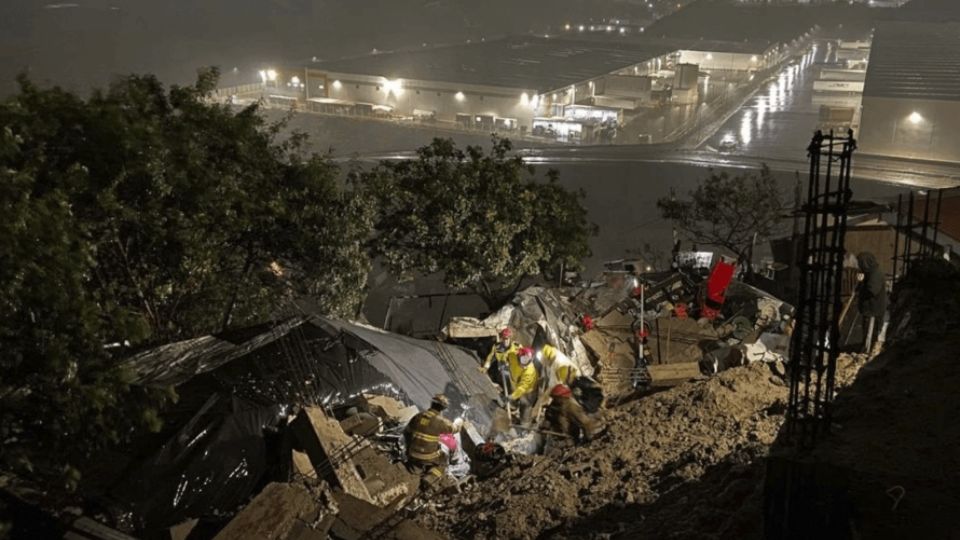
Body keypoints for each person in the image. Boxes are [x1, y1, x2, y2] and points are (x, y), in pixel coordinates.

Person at [404, 394, 462, 479]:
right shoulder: (442, 422)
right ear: (443, 408)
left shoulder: (418, 416)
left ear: (432, 403)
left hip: (411, 454)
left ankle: (415, 466)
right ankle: (431, 477)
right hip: (427, 458)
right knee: (444, 460)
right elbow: (455, 429)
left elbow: (406, 433)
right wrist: (459, 422)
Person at [856, 251, 888, 354]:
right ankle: (866, 351)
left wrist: (861, 284)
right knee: (867, 333)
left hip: (873, 310)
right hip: (869, 309)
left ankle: (866, 355)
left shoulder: (876, 274)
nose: (859, 265)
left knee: (870, 335)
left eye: (860, 263)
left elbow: (871, 291)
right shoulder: (869, 273)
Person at [508, 347, 539, 424]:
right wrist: (502, 361)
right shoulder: (513, 356)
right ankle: (512, 408)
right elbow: (506, 354)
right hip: (515, 383)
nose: (524, 365)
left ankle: (524, 424)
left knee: (525, 406)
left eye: (527, 361)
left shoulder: (530, 371)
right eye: (523, 360)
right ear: (519, 356)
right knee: (512, 396)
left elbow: (523, 387)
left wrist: (512, 396)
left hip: (528, 391)